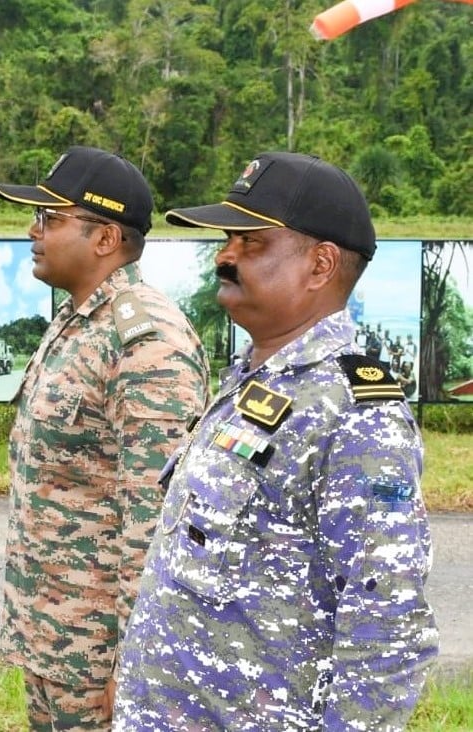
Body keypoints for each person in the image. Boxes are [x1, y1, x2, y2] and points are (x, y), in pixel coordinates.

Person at [113, 152, 438, 730]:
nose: (225, 256)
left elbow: (388, 633)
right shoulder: (252, 380)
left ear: (320, 265)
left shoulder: (355, 418)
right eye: (227, 239)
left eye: (251, 242)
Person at [0, 146, 210, 730]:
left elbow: (155, 514)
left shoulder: (146, 340)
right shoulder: (76, 319)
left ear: (106, 238)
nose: (32, 231)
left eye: (50, 219)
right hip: (54, 635)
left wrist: (132, 659)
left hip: (97, 652)